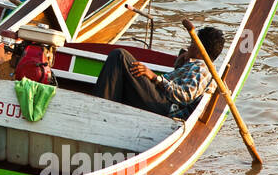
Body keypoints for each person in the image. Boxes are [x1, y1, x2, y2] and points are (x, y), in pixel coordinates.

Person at [93, 27, 224, 119]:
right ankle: (105, 108)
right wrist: (180, 64)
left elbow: (185, 96)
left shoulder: (202, 68)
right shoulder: (195, 65)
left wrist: (155, 78)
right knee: (122, 73)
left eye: (192, 43)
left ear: (199, 49)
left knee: (120, 55)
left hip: (165, 107)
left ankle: (100, 110)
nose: (189, 46)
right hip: (161, 100)